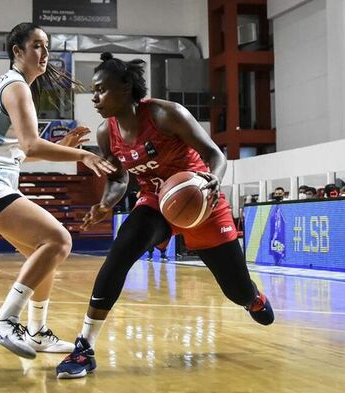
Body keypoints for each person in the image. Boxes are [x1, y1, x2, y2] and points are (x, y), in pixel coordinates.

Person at [56, 52, 274, 379]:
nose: (95, 97)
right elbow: (118, 179)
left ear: (126, 85)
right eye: (93, 90)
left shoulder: (165, 114)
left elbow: (214, 154)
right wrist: (105, 203)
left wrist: (212, 178)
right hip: (155, 202)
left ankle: (252, 297)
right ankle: (84, 346)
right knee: (119, 253)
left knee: (236, 290)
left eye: (101, 89)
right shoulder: (106, 133)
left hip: (199, 199)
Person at [0, 23, 116, 360]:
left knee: (43, 257)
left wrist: (59, 146)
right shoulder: (16, 88)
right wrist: (83, 154)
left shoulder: (14, 88)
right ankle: (4, 318)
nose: (44, 54)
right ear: (17, 51)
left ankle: (38, 332)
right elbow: (30, 144)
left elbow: (21, 150)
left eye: (46, 47)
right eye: (37, 46)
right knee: (59, 240)